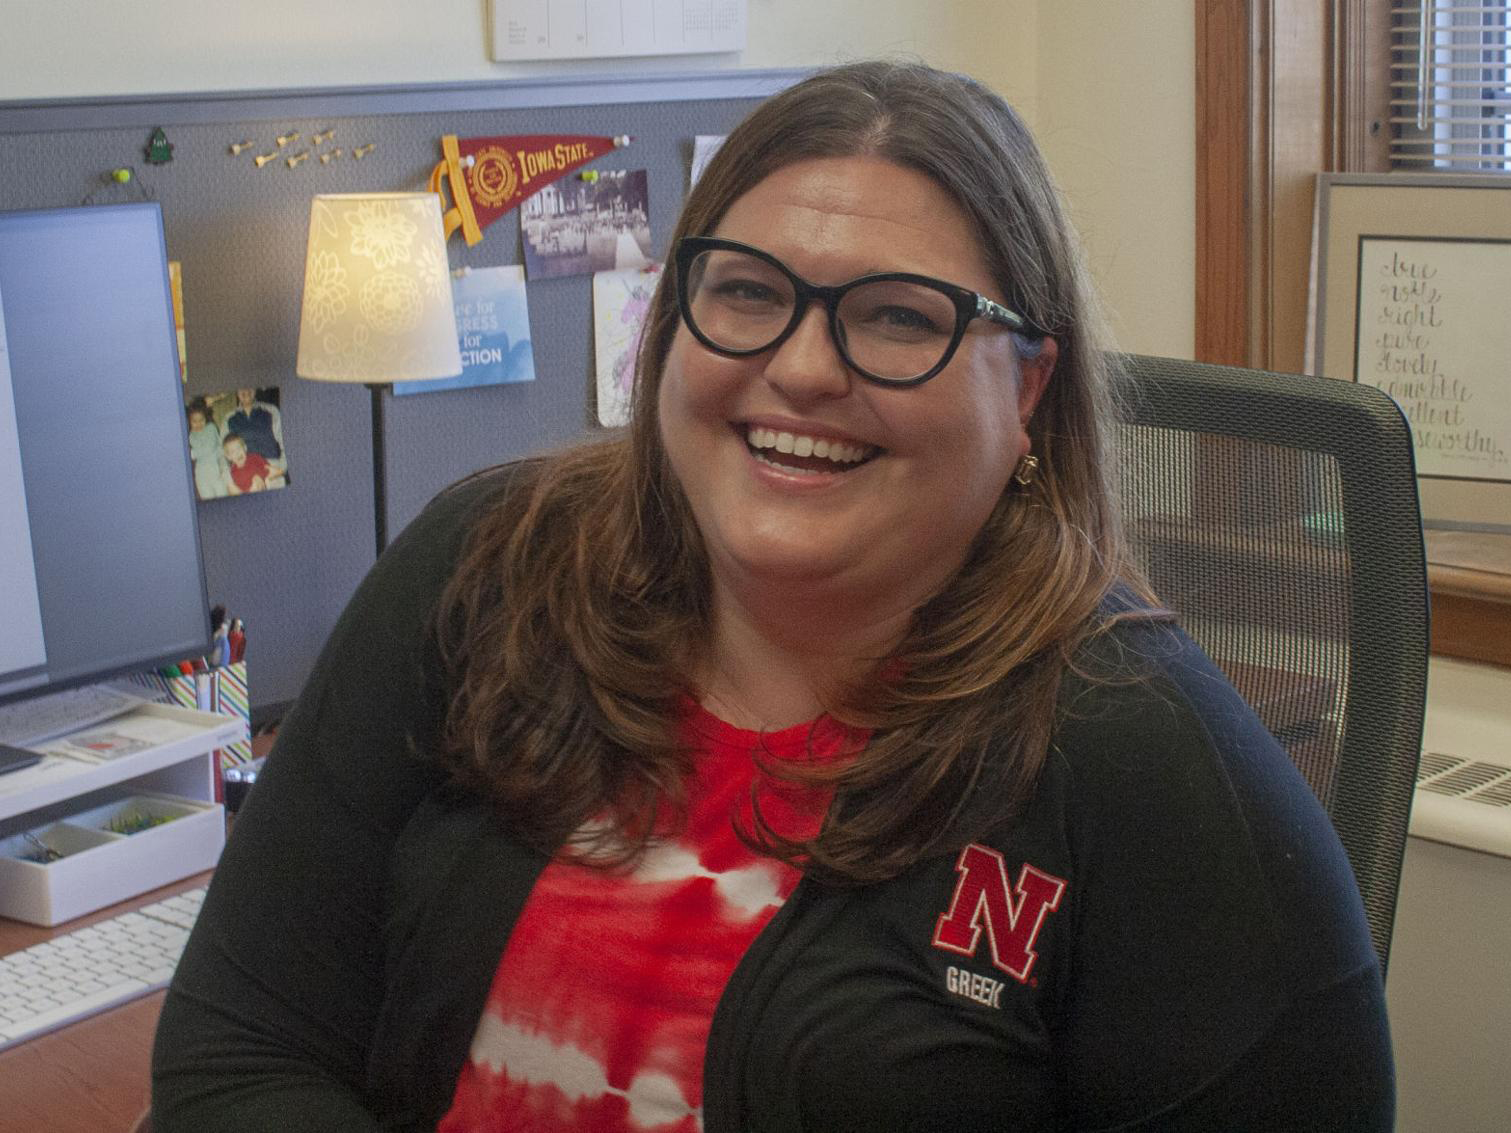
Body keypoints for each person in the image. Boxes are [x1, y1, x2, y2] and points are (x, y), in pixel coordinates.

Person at [151, 61, 1392, 1131]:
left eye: (898, 317)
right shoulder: (485, 574)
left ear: (1024, 393)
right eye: (745, 290)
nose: (798, 368)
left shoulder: (1151, 768)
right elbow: (239, 1052)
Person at [224, 386, 285, 466]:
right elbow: (223, 454)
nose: (246, 389)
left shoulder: (271, 410)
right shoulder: (228, 417)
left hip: (271, 466)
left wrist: (281, 468)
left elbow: (285, 441)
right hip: (243, 471)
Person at [185, 400, 228, 499]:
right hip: (201, 475)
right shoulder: (191, 435)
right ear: (189, 421)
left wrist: (192, 454)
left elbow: (209, 448)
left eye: (201, 420)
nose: (198, 424)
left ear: (206, 418)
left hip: (217, 472)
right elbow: (203, 452)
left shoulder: (211, 428)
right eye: (194, 421)